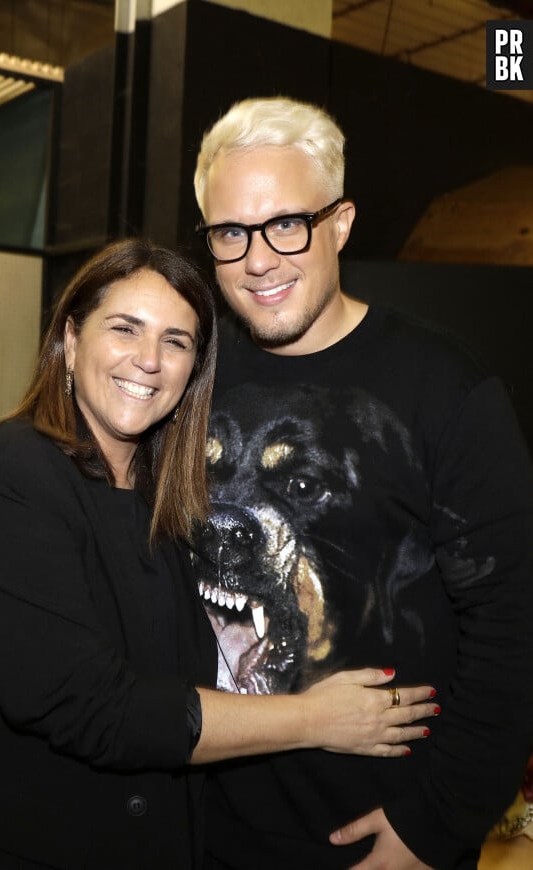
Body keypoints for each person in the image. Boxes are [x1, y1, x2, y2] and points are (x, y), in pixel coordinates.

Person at [0, 238, 437, 869]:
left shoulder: (167, 498)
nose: (148, 361)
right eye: (125, 328)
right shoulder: (7, 473)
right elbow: (93, 708)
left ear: (193, 372)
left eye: (176, 341)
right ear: (71, 342)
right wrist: (315, 718)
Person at [192, 97, 533, 869]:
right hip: (202, 828)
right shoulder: (189, 371)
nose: (258, 259)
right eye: (230, 233)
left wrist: (436, 825)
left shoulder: (443, 389)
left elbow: (513, 624)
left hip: (378, 835)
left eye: (287, 224)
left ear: (340, 223)